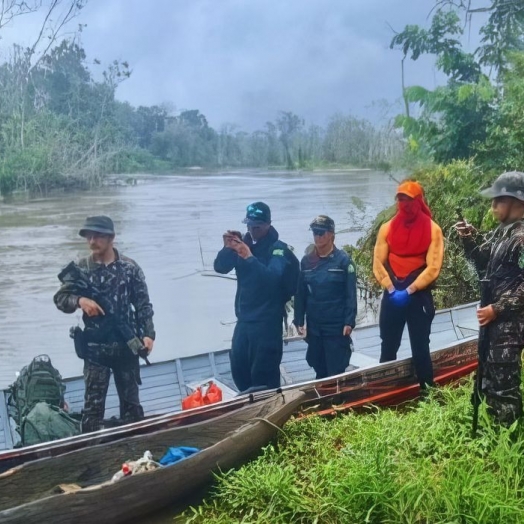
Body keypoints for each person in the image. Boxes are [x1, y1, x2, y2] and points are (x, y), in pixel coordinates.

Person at [54, 216, 155, 432]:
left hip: (126, 346)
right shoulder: (81, 268)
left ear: (111, 238)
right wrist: (80, 301)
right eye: (88, 236)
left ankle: (136, 451)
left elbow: (143, 305)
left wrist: (148, 335)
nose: (92, 240)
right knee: (92, 412)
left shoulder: (130, 268)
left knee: (132, 410)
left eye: (98, 235)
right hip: (95, 350)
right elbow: (60, 300)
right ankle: (92, 457)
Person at [455, 171, 524, 426]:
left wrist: (498, 308)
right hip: (494, 324)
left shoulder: (521, 238)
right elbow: (483, 262)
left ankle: (508, 438)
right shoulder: (503, 233)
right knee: (489, 377)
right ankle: (491, 432)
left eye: (499, 201)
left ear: (518, 203)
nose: (493, 207)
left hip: (510, 325)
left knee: (504, 387)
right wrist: (468, 239)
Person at [214, 201, 297, 393]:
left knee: (263, 376)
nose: (252, 230)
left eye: (257, 226)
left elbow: (272, 280)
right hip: (244, 319)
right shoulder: (244, 245)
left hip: (267, 322)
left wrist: (249, 258)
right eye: (249, 225)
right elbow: (220, 267)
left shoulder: (279, 250)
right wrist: (228, 248)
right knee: (239, 368)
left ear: (268, 224)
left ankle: (272, 412)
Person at [373, 181, 444, 390]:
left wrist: (411, 289)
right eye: (401, 199)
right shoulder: (387, 228)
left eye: (409, 199)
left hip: (418, 295)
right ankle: (384, 392)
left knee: (420, 347)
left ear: (419, 200)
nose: (405, 203)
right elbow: (377, 262)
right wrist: (390, 287)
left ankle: (427, 392)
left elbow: (433, 268)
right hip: (393, 292)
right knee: (388, 345)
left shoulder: (433, 230)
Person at [293, 215, 357, 379]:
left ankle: (337, 401)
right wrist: (299, 319)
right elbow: (301, 293)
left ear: (331, 235)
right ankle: (322, 399)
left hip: (336, 326)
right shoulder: (307, 261)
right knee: (317, 364)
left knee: (336, 368)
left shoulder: (344, 262)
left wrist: (349, 321)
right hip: (314, 325)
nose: (318, 236)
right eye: (315, 232)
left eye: (321, 232)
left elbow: (350, 294)